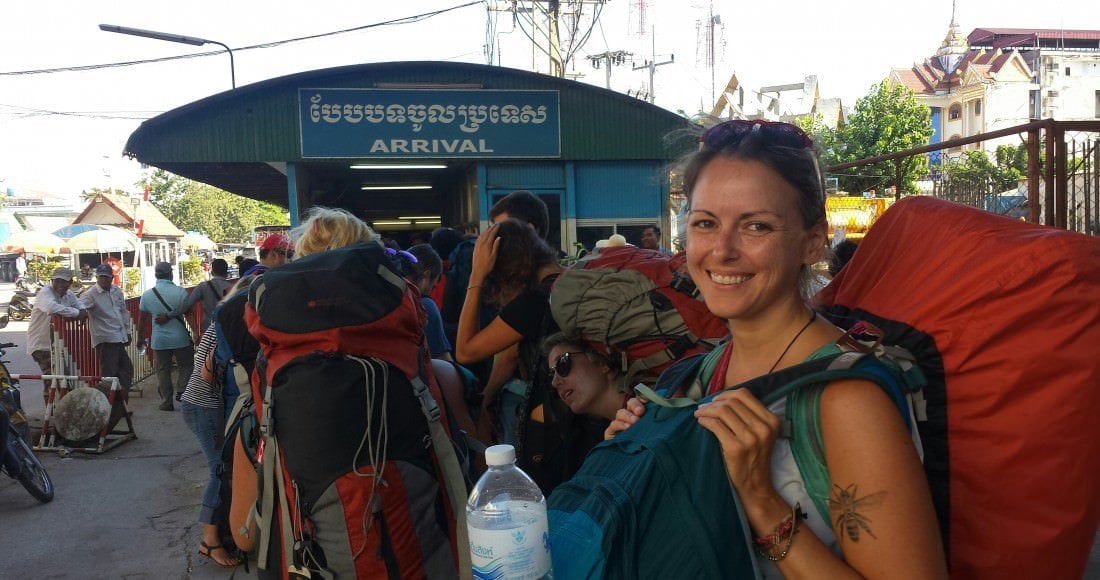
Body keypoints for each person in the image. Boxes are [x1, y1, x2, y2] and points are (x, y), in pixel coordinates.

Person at [607, 119, 946, 577]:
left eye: (756, 226)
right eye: (705, 223)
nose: (722, 250)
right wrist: (645, 456)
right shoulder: (701, 374)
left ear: (812, 241)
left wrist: (761, 499)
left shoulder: (847, 402)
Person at [456, 218, 598, 493]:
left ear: (505, 270)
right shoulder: (572, 280)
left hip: (562, 428)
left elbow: (465, 351)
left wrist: (476, 277)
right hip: (597, 413)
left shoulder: (534, 301)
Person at [180, 279, 252, 569]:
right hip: (203, 405)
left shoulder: (225, 318)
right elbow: (209, 373)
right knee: (219, 471)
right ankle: (209, 541)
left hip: (206, 405)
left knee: (228, 469)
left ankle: (223, 532)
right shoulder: (228, 322)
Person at [80, 264, 134, 433]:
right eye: (101, 277)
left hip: (118, 336)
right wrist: (81, 315)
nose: (104, 280)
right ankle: (109, 410)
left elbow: (123, 312)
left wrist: (127, 331)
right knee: (110, 377)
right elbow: (80, 307)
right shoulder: (90, 295)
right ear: (97, 278)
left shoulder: (116, 291)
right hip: (105, 339)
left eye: (107, 277)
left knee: (125, 371)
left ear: (111, 277)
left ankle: (118, 406)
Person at [26, 267, 88, 404]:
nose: (60, 285)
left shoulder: (69, 294)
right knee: (54, 378)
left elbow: (80, 304)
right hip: (41, 345)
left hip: (57, 345)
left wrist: (81, 310)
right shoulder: (45, 292)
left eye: (63, 282)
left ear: (70, 282)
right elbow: (51, 308)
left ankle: (58, 411)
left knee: (61, 378)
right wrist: (77, 313)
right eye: (57, 281)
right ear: (52, 281)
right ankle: (53, 413)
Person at [138, 262, 195, 411]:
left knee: (163, 370)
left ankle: (166, 401)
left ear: (156, 275)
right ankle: (182, 389)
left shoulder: (147, 295)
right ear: (171, 274)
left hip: (159, 340)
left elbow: (142, 319)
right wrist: (196, 332)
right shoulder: (181, 292)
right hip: (180, 338)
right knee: (186, 365)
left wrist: (140, 337)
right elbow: (189, 313)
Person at [543, 333, 627, 421]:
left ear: (601, 362)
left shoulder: (642, 395)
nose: (554, 382)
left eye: (562, 364)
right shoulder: (617, 431)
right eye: (551, 374)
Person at [403, 244, 454, 362]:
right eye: (433, 286)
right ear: (426, 275)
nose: (432, 291)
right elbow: (443, 359)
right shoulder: (425, 306)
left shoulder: (387, 299)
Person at [163, 258, 232, 332]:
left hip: (209, 328)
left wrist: (168, 316)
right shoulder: (234, 288)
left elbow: (187, 304)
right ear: (226, 272)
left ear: (212, 272)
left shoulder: (203, 286)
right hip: (228, 328)